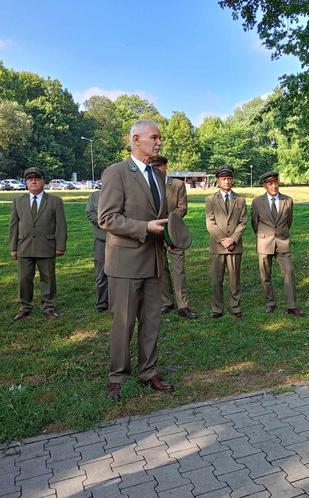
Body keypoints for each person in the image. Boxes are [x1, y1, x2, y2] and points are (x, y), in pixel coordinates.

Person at [98, 120, 172, 402]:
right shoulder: (116, 172)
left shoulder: (157, 175)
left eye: (159, 138)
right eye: (154, 137)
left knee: (152, 321)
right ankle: (117, 376)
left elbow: (161, 215)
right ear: (136, 139)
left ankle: (149, 371)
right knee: (124, 322)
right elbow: (107, 218)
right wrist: (144, 228)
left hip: (154, 261)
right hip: (126, 264)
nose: (159, 142)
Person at [9, 167, 67, 320]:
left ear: (43, 181)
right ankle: (25, 306)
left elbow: (61, 225)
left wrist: (60, 246)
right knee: (24, 279)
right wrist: (13, 248)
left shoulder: (55, 201)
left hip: (46, 246)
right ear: (26, 183)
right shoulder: (18, 201)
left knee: (48, 277)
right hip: (24, 246)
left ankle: (48, 306)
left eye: (37, 179)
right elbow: (13, 225)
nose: (33, 181)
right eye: (30, 179)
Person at [149, 155, 198, 319]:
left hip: (173, 232)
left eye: (159, 166)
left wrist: (168, 221)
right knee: (161, 269)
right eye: (153, 166)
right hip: (155, 233)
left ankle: (183, 305)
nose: (156, 169)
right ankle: (166, 302)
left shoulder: (178, 184)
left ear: (165, 166)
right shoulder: (147, 184)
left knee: (178, 270)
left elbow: (182, 208)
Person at [251, 171, 304, 316]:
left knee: (289, 271)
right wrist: (264, 235)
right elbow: (254, 223)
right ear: (264, 186)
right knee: (265, 274)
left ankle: (292, 305)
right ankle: (270, 302)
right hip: (264, 242)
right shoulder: (257, 202)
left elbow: (289, 221)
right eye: (270, 183)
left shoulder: (288, 200)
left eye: (275, 182)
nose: (274, 186)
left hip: (282, 242)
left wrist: (281, 234)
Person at [205, 165, 247, 318]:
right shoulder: (210, 200)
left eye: (229, 179)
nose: (227, 182)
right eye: (223, 179)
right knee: (217, 278)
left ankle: (235, 306)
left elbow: (243, 222)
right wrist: (222, 240)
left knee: (235, 278)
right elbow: (210, 222)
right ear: (218, 181)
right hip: (218, 246)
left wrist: (233, 239)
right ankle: (217, 308)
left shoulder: (240, 200)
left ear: (232, 180)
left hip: (235, 246)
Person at [85, 190, 108, 312]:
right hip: (102, 239)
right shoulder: (95, 196)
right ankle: (102, 302)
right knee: (101, 272)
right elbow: (89, 212)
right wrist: (103, 222)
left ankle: (119, 300)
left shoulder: (124, 192)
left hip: (122, 240)